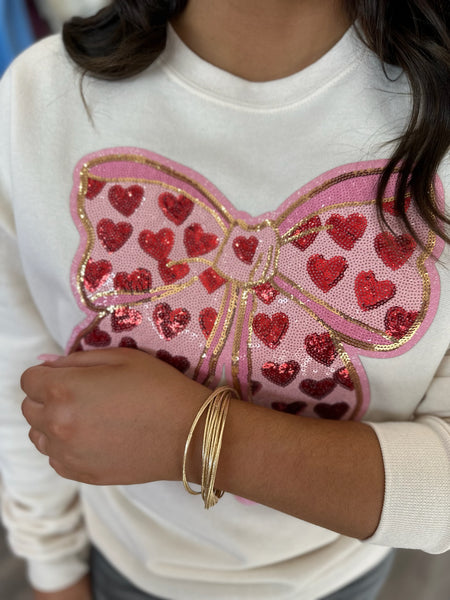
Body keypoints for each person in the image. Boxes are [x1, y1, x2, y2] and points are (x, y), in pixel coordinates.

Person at [1, 1, 449, 599]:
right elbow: (22, 372)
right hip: (122, 562)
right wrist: (52, 567)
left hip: (337, 575)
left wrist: (192, 436)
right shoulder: (37, 98)